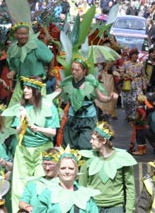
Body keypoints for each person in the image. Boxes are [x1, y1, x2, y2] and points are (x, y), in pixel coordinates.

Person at [10, 76, 60, 213]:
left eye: (28, 88)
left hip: (42, 150)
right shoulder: (22, 108)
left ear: (36, 90)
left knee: (40, 184)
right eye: (24, 87)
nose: (24, 90)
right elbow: (17, 131)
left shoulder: (49, 106)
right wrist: (22, 121)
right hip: (23, 150)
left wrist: (39, 129)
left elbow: (53, 132)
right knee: (19, 187)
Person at [79, 121, 137, 213]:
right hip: (93, 206)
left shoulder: (123, 159)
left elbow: (130, 187)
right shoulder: (87, 158)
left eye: (93, 139)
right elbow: (82, 186)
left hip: (115, 207)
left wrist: (129, 210)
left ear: (103, 141)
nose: (90, 141)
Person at [60, 58, 118, 150]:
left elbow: (102, 98)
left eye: (77, 70)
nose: (74, 72)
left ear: (84, 71)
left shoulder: (90, 83)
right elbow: (58, 94)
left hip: (88, 119)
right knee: (69, 146)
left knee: (85, 145)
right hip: (73, 118)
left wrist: (110, 98)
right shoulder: (68, 82)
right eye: (72, 69)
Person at [33, 147, 100, 212]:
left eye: (71, 168)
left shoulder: (86, 195)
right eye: (63, 168)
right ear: (58, 170)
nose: (67, 171)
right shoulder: (47, 194)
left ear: (76, 171)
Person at [6, 22, 54, 105]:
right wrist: (12, 72)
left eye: (25, 34)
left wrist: (49, 71)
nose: (23, 36)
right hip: (21, 84)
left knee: (37, 108)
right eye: (20, 34)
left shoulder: (36, 45)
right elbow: (14, 66)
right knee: (14, 109)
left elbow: (50, 57)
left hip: (36, 82)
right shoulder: (12, 49)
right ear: (15, 34)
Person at [18, 148, 59, 213]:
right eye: (45, 164)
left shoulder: (63, 184)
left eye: (50, 164)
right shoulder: (33, 184)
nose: (47, 168)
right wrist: (26, 207)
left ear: (58, 165)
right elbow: (22, 202)